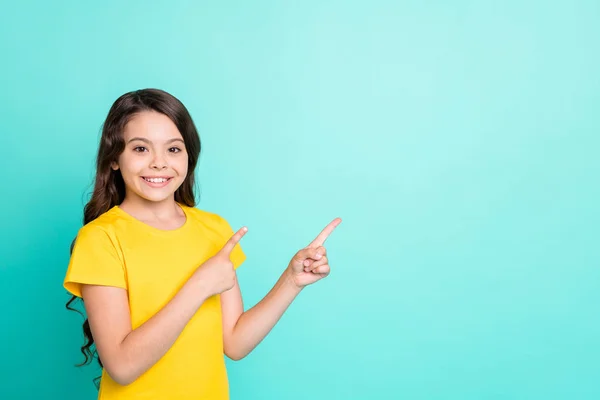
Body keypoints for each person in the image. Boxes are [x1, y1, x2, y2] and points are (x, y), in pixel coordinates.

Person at [63, 88, 342, 399]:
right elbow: (123, 366)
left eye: (173, 149)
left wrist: (292, 281)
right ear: (115, 158)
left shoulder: (214, 230)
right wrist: (199, 286)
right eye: (141, 149)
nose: (159, 163)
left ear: (188, 156)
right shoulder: (100, 239)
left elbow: (234, 343)